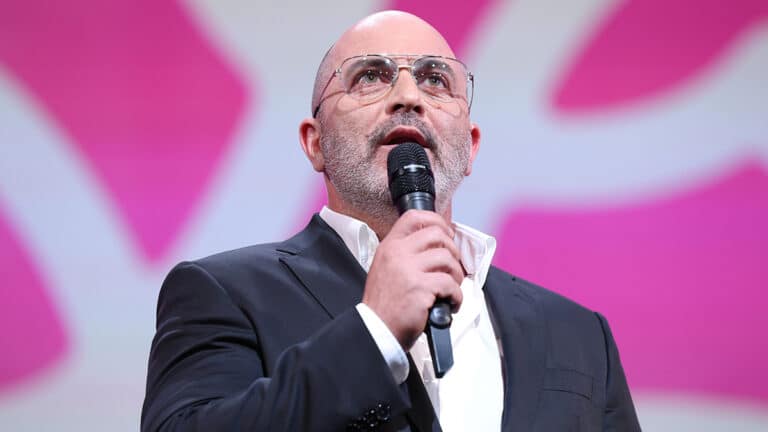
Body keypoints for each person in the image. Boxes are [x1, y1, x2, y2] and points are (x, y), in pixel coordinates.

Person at [141, 10, 641, 432]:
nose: (408, 96)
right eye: (370, 76)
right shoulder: (223, 293)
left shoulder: (578, 334)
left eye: (435, 79)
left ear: (471, 147)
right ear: (316, 143)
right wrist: (374, 332)